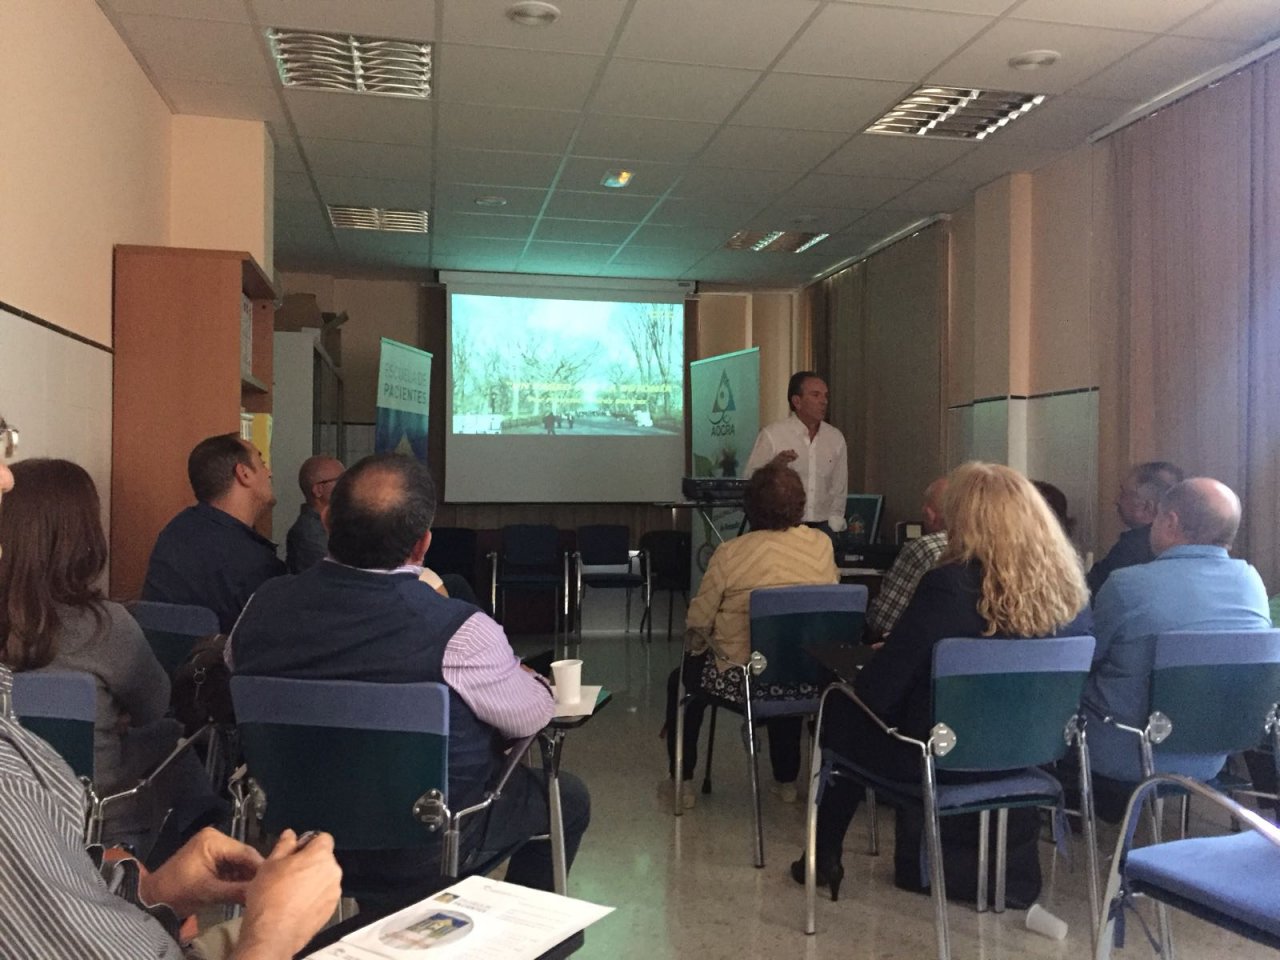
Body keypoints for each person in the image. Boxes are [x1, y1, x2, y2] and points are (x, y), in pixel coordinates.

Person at [0, 445, 342, 960]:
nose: (4, 476)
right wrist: (271, 933)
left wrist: (157, 891)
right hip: (117, 803)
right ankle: (211, 812)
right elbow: (158, 702)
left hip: (102, 849)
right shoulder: (103, 627)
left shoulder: (175, 536)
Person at [230, 453, 589, 906]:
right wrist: (524, 677)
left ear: (326, 520)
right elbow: (531, 717)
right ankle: (520, 936)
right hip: (424, 844)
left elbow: (235, 668)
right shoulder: (460, 633)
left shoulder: (260, 608)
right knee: (568, 798)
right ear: (422, 545)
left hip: (294, 840)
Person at [791, 462, 1091, 899]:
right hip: (1032, 758)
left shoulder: (948, 586)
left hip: (940, 758)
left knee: (841, 708)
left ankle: (822, 856)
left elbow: (878, 694)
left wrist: (896, 655)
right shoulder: (1072, 596)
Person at [0, 459, 220, 852]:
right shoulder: (105, 625)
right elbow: (154, 707)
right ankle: (207, 846)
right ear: (80, 536)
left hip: (12, 815)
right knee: (172, 737)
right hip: (92, 817)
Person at [664, 462, 839, 805]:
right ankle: (786, 781)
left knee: (681, 680)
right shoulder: (821, 545)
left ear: (750, 505)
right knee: (786, 655)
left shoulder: (730, 553)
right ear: (800, 505)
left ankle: (682, 783)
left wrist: (698, 648)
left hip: (745, 679)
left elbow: (698, 622)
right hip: (808, 678)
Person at [1083, 477, 1271, 794]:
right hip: (1212, 755)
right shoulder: (1252, 583)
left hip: (1124, 754)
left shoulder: (1127, 585)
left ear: (1170, 522)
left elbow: (1087, 658)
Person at [143, 434, 286, 633]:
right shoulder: (255, 563)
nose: (269, 472)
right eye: (262, 464)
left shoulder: (176, 530)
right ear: (244, 473)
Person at [745, 372, 848, 533]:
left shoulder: (835, 438)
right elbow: (749, 481)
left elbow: (839, 486)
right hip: (781, 528)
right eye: (816, 395)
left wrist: (835, 523)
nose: (824, 401)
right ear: (797, 401)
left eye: (826, 396)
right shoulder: (773, 435)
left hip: (823, 527)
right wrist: (773, 466)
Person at [865, 477, 948, 640]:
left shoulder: (924, 548)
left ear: (929, 514)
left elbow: (884, 620)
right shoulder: (995, 550)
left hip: (923, 648)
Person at [1087, 461, 1183, 596]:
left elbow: (1089, 594)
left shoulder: (1130, 549)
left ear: (1147, 507)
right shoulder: (1188, 542)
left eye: (1123, 494)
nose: (1116, 501)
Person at [286, 455, 344, 574]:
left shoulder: (336, 523)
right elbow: (338, 573)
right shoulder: (308, 533)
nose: (348, 485)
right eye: (341, 480)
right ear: (318, 490)